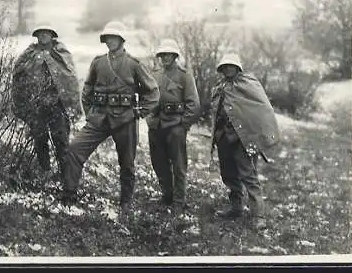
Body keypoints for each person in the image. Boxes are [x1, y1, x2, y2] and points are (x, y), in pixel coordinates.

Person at [61, 21, 160, 213]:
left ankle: (125, 202)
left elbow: (153, 92)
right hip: (99, 118)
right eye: (107, 38)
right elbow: (87, 89)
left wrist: (138, 112)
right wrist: (90, 113)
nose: (110, 41)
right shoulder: (98, 62)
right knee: (74, 149)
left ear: (121, 40)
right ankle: (69, 193)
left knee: (127, 162)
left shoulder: (134, 64)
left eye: (114, 38)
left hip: (125, 119)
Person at [210, 52, 280, 229]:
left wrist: (256, 136)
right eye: (225, 67)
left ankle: (258, 215)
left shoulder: (248, 84)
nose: (228, 69)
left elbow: (262, 109)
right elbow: (216, 110)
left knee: (248, 175)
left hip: (244, 139)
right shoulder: (220, 86)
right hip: (224, 138)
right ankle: (236, 208)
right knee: (228, 174)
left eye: (231, 66)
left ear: (238, 67)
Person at [11, 24, 81, 190]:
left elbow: (70, 78)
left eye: (46, 33)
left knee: (61, 142)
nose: (43, 36)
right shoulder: (28, 55)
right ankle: (45, 173)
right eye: (40, 33)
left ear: (52, 35)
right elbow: (18, 76)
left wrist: (69, 103)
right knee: (40, 140)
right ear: (36, 36)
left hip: (57, 106)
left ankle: (67, 180)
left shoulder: (61, 53)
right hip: (37, 106)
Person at [146, 39, 200, 213]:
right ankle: (167, 195)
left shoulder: (184, 75)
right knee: (158, 163)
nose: (165, 58)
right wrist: (149, 118)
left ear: (175, 56)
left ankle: (179, 200)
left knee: (178, 165)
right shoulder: (154, 75)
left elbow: (193, 104)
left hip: (175, 125)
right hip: (156, 125)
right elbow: (148, 98)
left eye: (169, 54)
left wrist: (183, 125)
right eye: (162, 55)